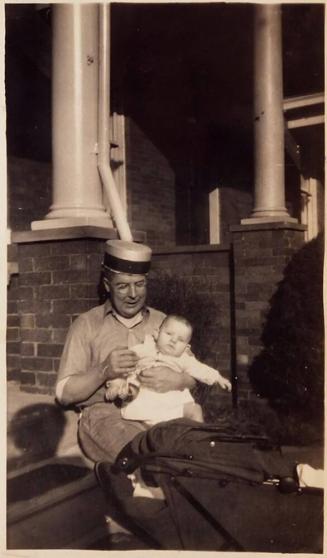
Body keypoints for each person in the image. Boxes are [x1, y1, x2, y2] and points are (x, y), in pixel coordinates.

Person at [55, 239, 196, 463]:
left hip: (160, 411)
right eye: (122, 286)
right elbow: (64, 394)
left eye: (139, 284)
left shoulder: (162, 322)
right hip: (107, 414)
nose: (133, 294)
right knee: (149, 457)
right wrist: (104, 370)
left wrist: (178, 379)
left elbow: (193, 377)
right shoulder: (87, 324)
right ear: (107, 285)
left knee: (195, 452)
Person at [105, 314, 232, 424]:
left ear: (186, 347)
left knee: (194, 410)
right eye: (169, 334)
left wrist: (217, 377)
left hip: (171, 403)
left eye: (180, 340)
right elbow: (125, 363)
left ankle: (197, 442)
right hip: (144, 400)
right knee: (130, 385)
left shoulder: (184, 358)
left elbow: (200, 369)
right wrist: (116, 382)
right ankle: (121, 390)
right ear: (157, 333)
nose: (173, 340)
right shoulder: (143, 349)